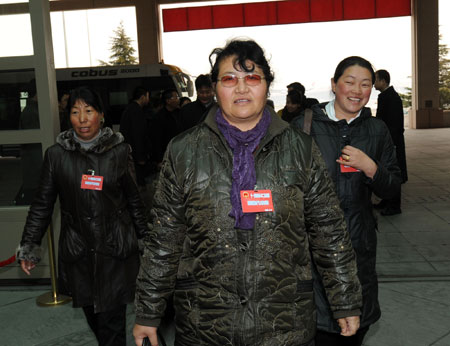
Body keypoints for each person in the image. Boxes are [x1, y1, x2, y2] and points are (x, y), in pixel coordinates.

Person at [133, 39, 362, 346]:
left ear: (267, 86)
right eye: (229, 79)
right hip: (205, 324)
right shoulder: (184, 150)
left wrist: (344, 299)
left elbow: (329, 230)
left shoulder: (300, 149)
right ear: (215, 88)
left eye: (252, 78)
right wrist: (148, 312)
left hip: (284, 323)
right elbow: (164, 238)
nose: (241, 89)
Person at [17, 86, 149, 346]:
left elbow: (134, 200)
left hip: (115, 251)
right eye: (76, 112)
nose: (83, 118)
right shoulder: (56, 156)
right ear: (69, 117)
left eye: (89, 111)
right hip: (79, 251)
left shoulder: (119, 151)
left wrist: (146, 241)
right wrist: (30, 246)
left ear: (100, 114)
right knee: (94, 319)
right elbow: (42, 204)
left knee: (111, 323)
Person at [292, 56, 402, 346]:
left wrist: (371, 167)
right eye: (349, 82)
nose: (357, 90)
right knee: (314, 329)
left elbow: (392, 188)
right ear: (334, 85)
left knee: (354, 330)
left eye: (365, 84)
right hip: (311, 252)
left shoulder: (377, 131)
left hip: (358, 248)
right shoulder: (303, 128)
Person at [374, 69, 408, 215]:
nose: (373, 83)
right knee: (386, 170)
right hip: (388, 141)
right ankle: (387, 201)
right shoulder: (386, 96)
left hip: (392, 141)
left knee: (394, 172)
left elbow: (394, 124)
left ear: (383, 81)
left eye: (375, 79)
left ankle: (394, 206)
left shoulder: (391, 98)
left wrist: (389, 143)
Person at [120, 86, 151, 187]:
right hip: (135, 154)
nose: (148, 99)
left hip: (131, 152)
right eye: (147, 96)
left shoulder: (130, 108)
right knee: (138, 182)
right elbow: (137, 134)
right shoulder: (136, 111)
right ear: (142, 97)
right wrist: (140, 156)